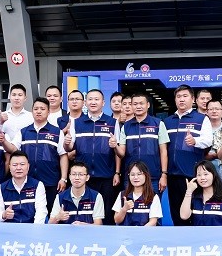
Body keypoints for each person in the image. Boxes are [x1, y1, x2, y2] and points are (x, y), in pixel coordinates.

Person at [2, 97, 69, 215]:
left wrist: (63, 178)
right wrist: (3, 141)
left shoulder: (56, 132)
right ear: (32, 111)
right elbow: (12, 149)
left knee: (51, 213)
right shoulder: (23, 132)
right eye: (36, 109)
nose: (39, 111)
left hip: (50, 180)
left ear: (48, 112)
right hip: (28, 181)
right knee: (29, 213)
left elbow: (63, 155)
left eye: (42, 109)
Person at [66, 89, 120, 225]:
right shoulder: (77, 123)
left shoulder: (112, 122)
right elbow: (69, 148)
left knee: (107, 213)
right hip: (84, 177)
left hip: (106, 175)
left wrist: (117, 172)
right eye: (90, 99)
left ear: (103, 103)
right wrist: (66, 143)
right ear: (85, 102)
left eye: (97, 99)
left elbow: (117, 151)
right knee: (86, 211)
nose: (93, 102)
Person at [163, 84, 213, 226]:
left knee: (193, 208)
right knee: (175, 209)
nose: (181, 99)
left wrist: (195, 141)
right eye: (178, 96)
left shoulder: (201, 119)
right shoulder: (167, 121)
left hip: (192, 174)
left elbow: (208, 140)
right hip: (172, 174)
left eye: (185, 96)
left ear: (193, 99)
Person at [116, 92, 169, 193]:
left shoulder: (158, 124)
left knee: (153, 203)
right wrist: (115, 146)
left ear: (148, 105)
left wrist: (164, 174)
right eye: (135, 104)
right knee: (130, 203)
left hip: (153, 177)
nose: (138, 106)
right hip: (131, 177)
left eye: (141, 103)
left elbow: (163, 151)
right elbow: (121, 153)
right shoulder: (126, 126)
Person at [0, 151, 48, 223]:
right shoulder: (1, 188)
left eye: (22, 164)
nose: (18, 168)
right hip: (10, 228)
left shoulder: (38, 185)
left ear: (28, 166)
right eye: (15, 165)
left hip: (32, 227)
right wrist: (3, 215)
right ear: (9, 167)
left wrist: (35, 228)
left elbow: (41, 212)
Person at [180, 160, 222, 226]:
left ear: (214, 175)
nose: (202, 178)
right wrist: (189, 191)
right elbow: (184, 216)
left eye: (206, 174)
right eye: (199, 175)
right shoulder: (194, 197)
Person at [49, 161, 104, 225]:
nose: (77, 178)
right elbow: (50, 224)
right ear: (69, 176)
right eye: (74, 174)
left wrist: (84, 225)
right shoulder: (60, 197)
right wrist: (57, 217)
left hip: (87, 231)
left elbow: (98, 224)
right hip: (66, 231)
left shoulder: (96, 196)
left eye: (81, 174)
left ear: (87, 177)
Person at [113, 161, 162, 226]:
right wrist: (124, 209)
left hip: (144, 232)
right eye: (132, 175)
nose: (135, 177)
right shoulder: (122, 195)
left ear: (146, 175)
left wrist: (140, 231)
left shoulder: (153, 196)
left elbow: (153, 222)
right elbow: (117, 220)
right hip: (125, 232)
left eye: (139, 174)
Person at [205, 99, 222, 164]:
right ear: (206, 112)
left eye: (217, 109)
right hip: (205, 164)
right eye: (211, 109)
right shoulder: (202, 128)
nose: (214, 111)